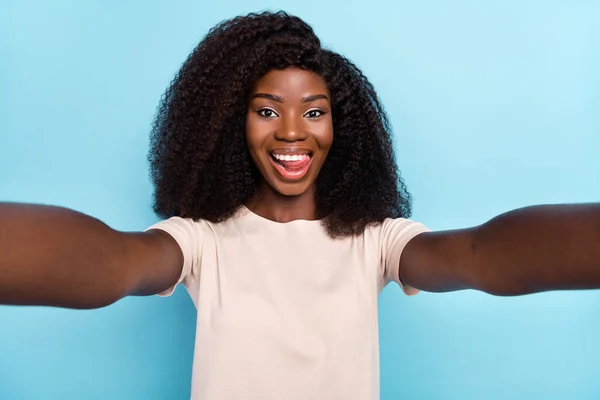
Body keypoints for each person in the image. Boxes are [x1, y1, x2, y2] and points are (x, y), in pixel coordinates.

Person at [0, 10, 598, 400]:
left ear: (343, 127)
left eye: (314, 111)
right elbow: (115, 261)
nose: (292, 132)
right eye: (267, 110)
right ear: (229, 125)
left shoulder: (374, 241)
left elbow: (478, 254)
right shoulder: (202, 241)